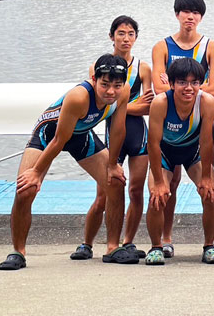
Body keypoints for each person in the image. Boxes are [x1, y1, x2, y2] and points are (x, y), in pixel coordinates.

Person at [0, 54, 132, 270]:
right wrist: (37, 172)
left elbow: (117, 129)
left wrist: (113, 163)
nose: (110, 91)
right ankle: (18, 252)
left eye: (117, 85)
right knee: (26, 189)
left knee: (115, 181)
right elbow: (59, 139)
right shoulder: (78, 97)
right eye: (105, 84)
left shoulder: (122, 93)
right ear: (94, 79)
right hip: (49, 135)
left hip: (81, 135)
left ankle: (112, 246)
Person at [70, 16, 154, 262]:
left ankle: (126, 242)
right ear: (111, 36)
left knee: (136, 191)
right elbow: (100, 100)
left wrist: (120, 105)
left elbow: (148, 106)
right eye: (120, 33)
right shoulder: (99, 65)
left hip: (137, 134)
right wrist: (129, 104)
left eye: (130, 34)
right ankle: (86, 243)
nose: (125, 38)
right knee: (104, 193)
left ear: (136, 38)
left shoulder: (143, 68)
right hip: (111, 133)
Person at [151, 0, 214, 258]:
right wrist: (189, 87)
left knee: (210, 189)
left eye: (195, 13)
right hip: (168, 133)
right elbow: (159, 90)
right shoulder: (162, 46)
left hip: (194, 132)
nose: (189, 17)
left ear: (201, 17)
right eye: (185, 12)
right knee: (162, 191)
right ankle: (162, 242)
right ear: (177, 15)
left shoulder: (211, 47)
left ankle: (211, 244)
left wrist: (186, 87)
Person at [144, 58, 214, 265]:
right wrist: (159, 181)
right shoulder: (161, 103)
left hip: (193, 154)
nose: (189, 88)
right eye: (182, 82)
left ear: (201, 83)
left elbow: (207, 142)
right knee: (157, 197)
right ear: (171, 84)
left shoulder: (207, 102)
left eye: (194, 82)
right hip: (164, 155)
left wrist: (207, 176)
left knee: (210, 193)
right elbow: (152, 144)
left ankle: (209, 245)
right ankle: (156, 246)